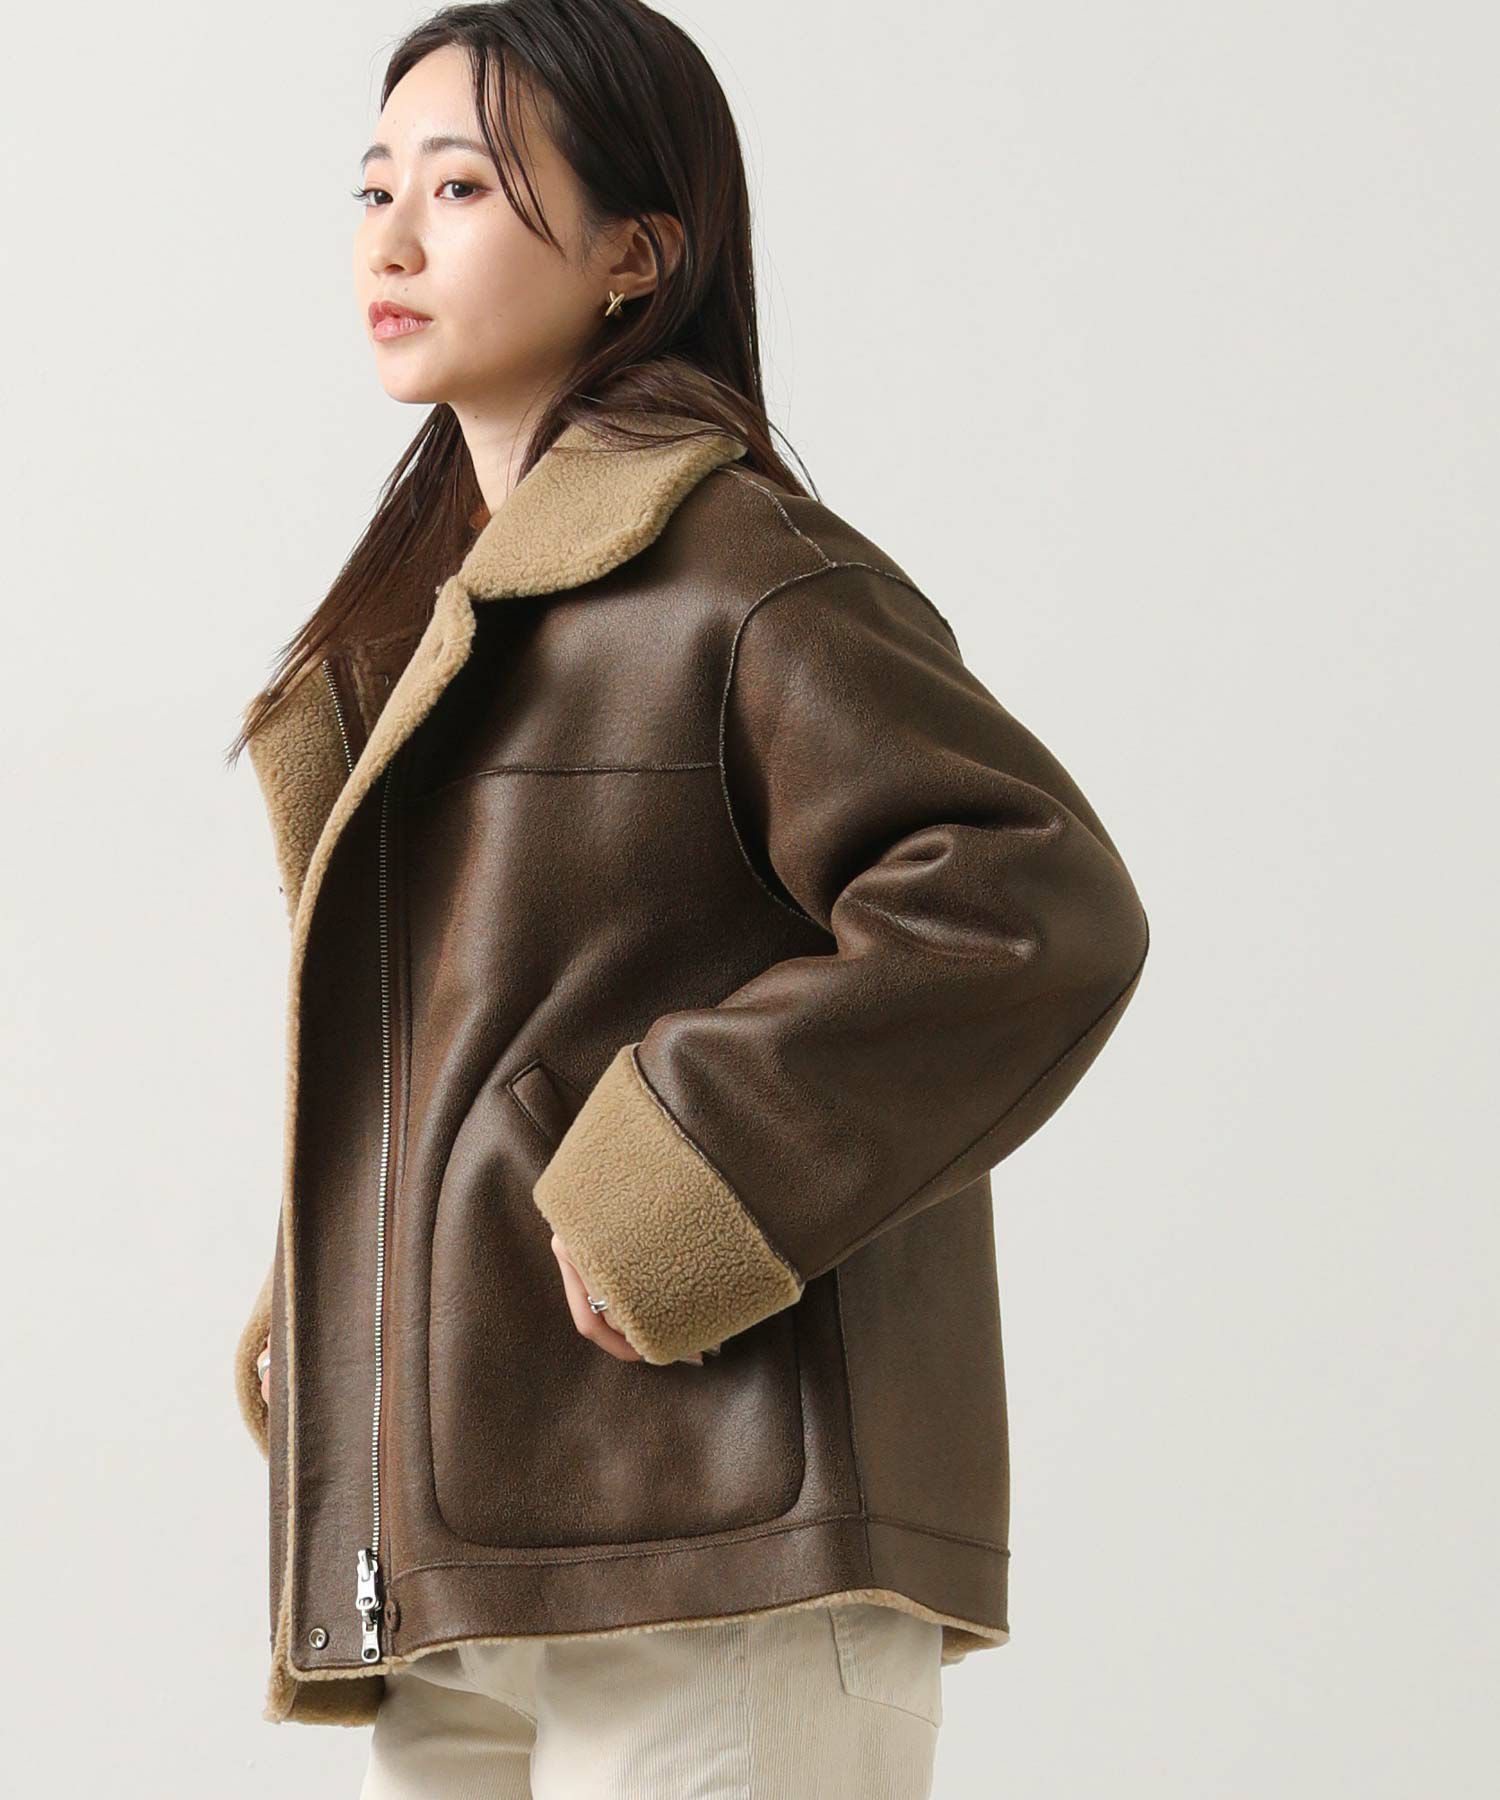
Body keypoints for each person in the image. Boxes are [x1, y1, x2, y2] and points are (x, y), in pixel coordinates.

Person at [227, 3, 1150, 1795]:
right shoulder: (433, 630)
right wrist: (341, 1304)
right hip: (466, 1561)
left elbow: (1029, 900)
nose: (393, 239)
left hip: (725, 1558)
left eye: (463, 188)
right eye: (374, 186)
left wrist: (693, 1176)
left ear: (636, 259)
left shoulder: (740, 573)